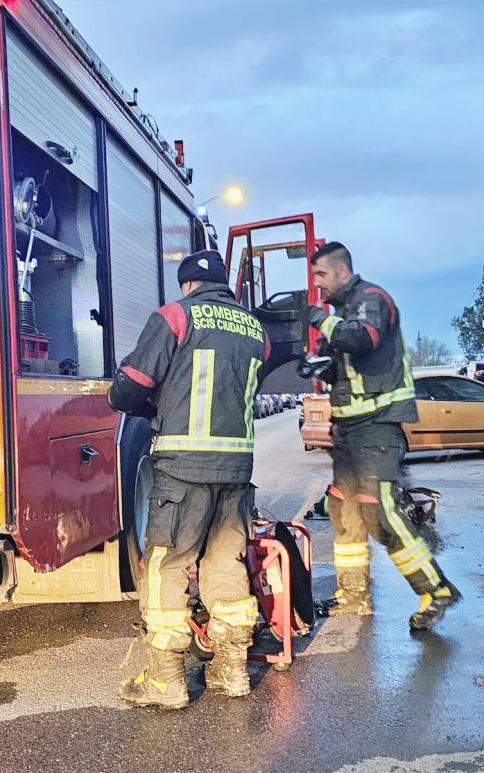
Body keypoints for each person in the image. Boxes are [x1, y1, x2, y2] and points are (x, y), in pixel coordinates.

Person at [108, 249, 269, 709]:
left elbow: (133, 385)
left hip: (182, 469)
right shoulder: (254, 328)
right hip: (237, 470)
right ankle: (233, 670)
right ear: (224, 284)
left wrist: (124, 395)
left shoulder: (175, 316)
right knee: (226, 562)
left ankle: (166, 681)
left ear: (187, 285)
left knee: (167, 564)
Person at [304, 241, 459, 630]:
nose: (318, 284)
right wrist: (318, 366)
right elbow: (340, 359)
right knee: (343, 510)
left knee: (381, 512)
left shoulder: (372, 300)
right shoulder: (341, 314)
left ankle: (436, 590)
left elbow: (362, 339)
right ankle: (353, 595)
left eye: (321, 274)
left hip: (377, 426)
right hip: (349, 432)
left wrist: (317, 319)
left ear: (342, 272)